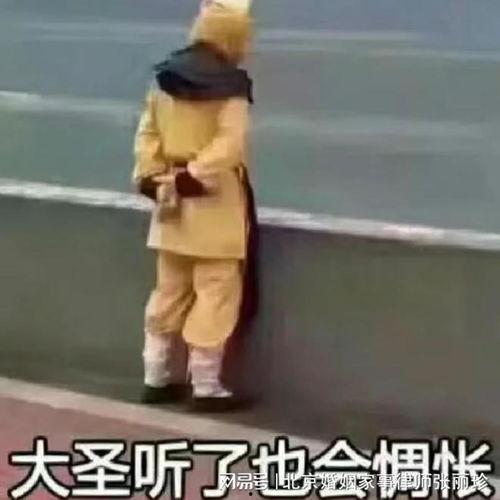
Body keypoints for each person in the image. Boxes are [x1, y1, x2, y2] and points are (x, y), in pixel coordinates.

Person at [132, 0, 257, 412]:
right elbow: (230, 143)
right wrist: (197, 173)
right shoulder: (231, 86)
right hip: (214, 202)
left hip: (167, 200)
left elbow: (148, 133)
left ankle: (155, 376)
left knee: (168, 291)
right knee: (216, 291)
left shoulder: (164, 78)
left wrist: (151, 176)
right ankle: (205, 385)